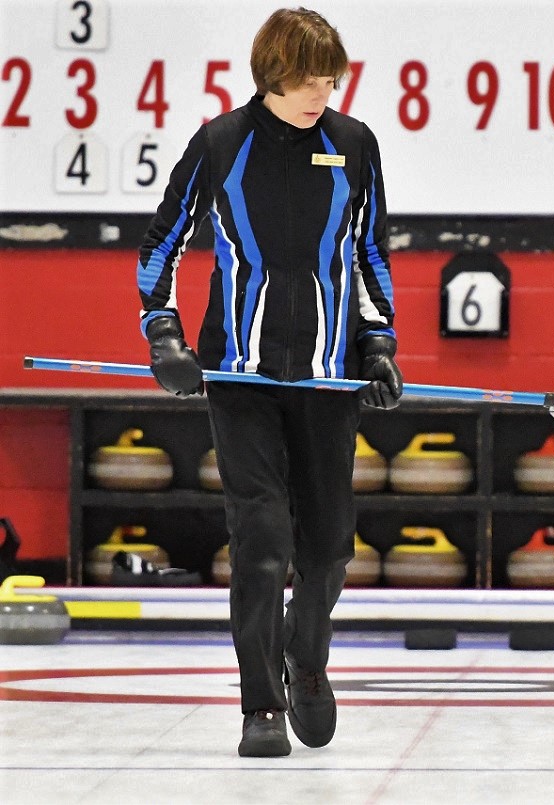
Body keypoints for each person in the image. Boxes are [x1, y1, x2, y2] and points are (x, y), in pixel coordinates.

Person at [136, 7, 403, 757]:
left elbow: (371, 252)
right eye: (306, 80)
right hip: (240, 378)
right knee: (259, 541)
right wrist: (163, 336)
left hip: (328, 380)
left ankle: (305, 661)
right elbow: (163, 243)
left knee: (326, 550)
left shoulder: (353, 145)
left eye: (329, 79)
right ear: (270, 76)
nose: (320, 92)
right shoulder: (222, 143)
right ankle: (260, 705)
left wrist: (378, 345)